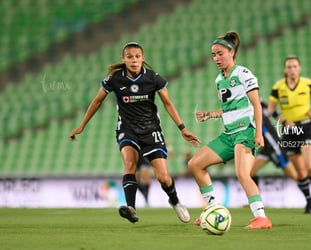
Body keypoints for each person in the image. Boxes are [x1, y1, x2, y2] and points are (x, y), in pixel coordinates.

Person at [69, 42, 200, 224]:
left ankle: (175, 201)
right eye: (129, 57)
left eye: (137, 56)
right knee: (130, 163)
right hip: (127, 130)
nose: (134, 60)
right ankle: (131, 208)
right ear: (123, 59)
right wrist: (82, 125)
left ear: (142, 58)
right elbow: (97, 101)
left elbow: (168, 104)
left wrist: (182, 128)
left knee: (163, 177)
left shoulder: (153, 78)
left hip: (151, 130)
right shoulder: (114, 78)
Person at [188, 31, 272, 229]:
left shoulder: (244, 74)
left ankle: (261, 217)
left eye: (220, 53)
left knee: (243, 174)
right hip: (229, 134)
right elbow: (231, 109)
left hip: (245, 132)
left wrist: (258, 132)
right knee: (195, 164)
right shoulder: (219, 80)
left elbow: (256, 105)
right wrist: (210, 114)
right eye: (213, 55)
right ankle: (212, 209)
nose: (216, 58)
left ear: (231, 52)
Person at [267, 55, 311, 215]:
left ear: (299, 68)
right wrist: (282, 119)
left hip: (307, 127)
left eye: (295, 66)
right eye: (289, 66)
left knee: (310, 166)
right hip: (289, 131)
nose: (292, 69)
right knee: (300, 172)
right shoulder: (278, 87)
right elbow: (271, 110)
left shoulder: (308, 83)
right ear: (284, 69)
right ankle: (309, 201)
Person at [250, 101, 298, 185]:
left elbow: (273, 112)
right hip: (266, 148)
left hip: (275, 147)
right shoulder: (246, 106)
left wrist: (285, 122)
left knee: (293, 175)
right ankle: (256, 197)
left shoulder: (257, 104)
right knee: (249, 173)